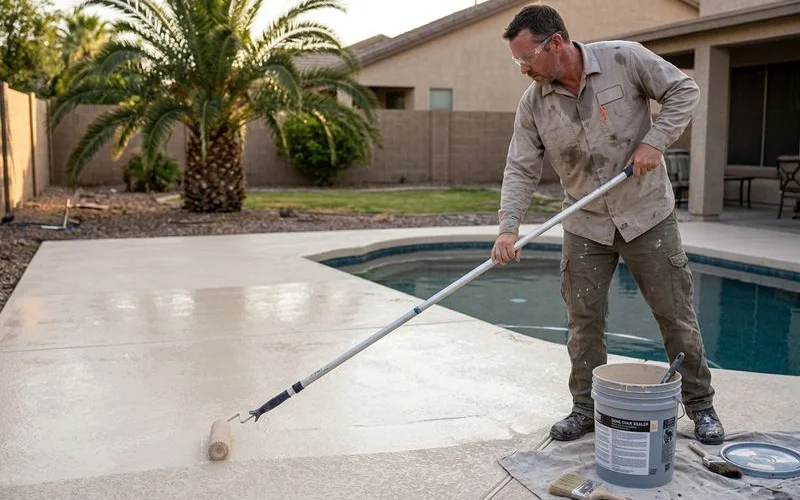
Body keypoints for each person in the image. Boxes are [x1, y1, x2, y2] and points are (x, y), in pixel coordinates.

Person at [490, 4, 725, 445]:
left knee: (675, 316)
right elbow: (520, 167)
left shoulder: (625, 59)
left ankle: (701, 406)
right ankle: (585, 409)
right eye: (516, 61)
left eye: (526, 59)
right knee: (583, 323)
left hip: (646, 217)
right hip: (585, 224)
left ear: (555, 43)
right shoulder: (534, 103)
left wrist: (655, 141)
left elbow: (684, 90)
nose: (523, 69)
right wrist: (509, 227)